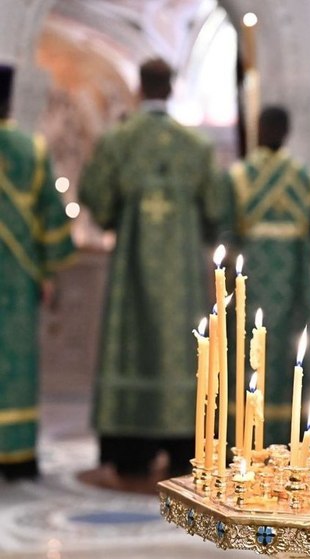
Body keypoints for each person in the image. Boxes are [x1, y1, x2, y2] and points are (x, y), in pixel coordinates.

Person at [79, 58, 228, 481]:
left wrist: (117, 218)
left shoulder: (119, 140)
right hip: (180, 274)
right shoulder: (195, 147)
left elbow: (96, 194)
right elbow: (217, 208)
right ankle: (185, 447)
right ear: (172, 87)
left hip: (133, 268)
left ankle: (130, 451)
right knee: (184, 346)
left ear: (140, 88)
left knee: (132, 343)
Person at [224, 106, 310, 446]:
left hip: (251, 279)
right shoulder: (305, 178)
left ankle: (247, 435)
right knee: (290, 355)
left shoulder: (239, 176)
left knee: (250, 351)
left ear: (260, 129)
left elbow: (226, 233)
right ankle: (291, 436)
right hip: (294, 282)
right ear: (287, 131)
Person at [0, 64, 75, 480]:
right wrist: (50, 274)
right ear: (10, 101)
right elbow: (52, 219)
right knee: (16, 363)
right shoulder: (33, 150)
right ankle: (16, 455)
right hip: (18, 276)